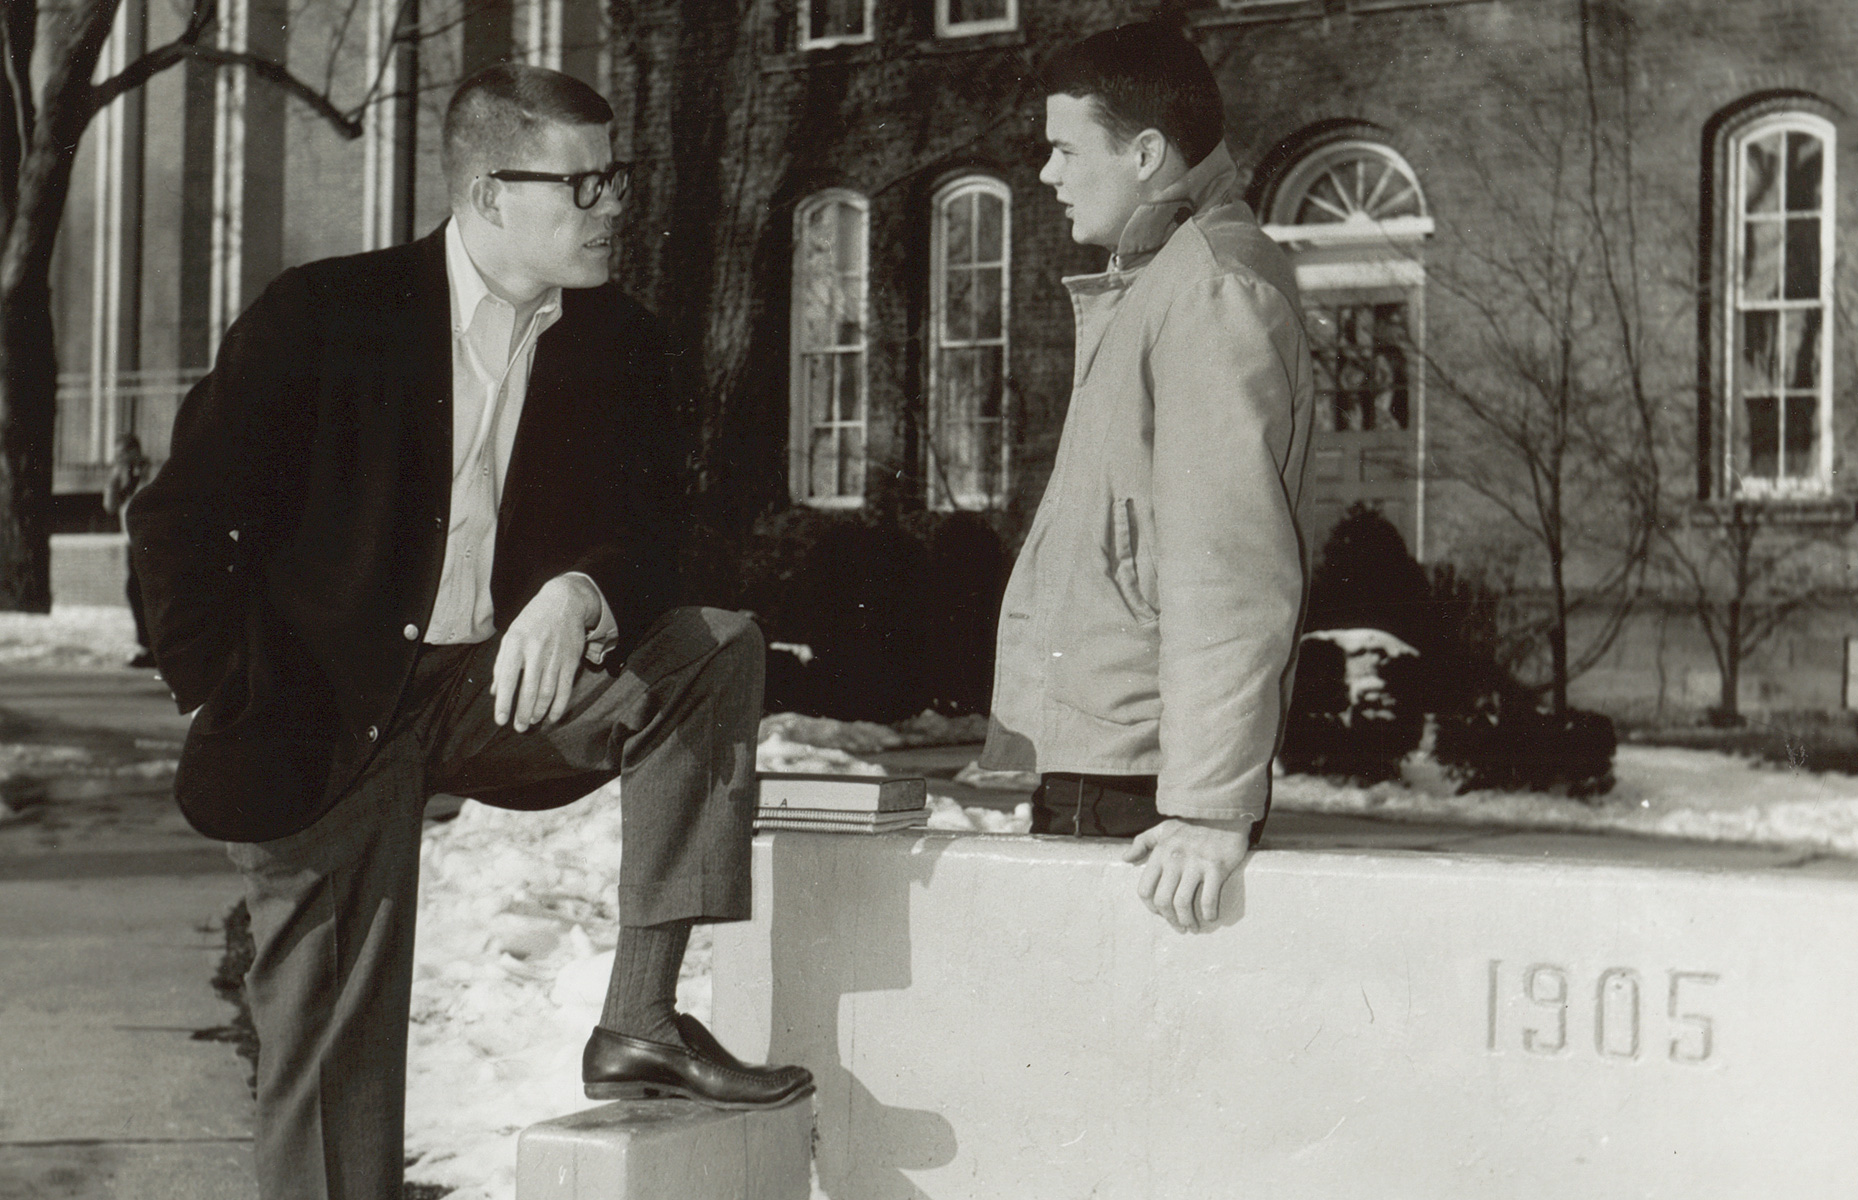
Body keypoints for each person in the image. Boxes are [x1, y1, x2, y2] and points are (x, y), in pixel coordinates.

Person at [128, 63, 810, 1200]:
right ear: (490, 192)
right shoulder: (327, 313)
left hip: (496, 694)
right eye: (582, 186)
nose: (613, 208)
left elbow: (652, 537)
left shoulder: (619, 340)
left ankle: (640, 1017)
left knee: (713, 648)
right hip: (318, 711)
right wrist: (222, 692)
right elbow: (179, 519)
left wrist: (581, 588)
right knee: (329, 1068)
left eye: (617, 180)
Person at [978, 22, 1316, 935]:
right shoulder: (1159, 280)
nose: (1047, 175)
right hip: (1114, 758)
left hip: (1141, 783)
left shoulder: (1208, 289)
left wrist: (1208, 806)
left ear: (1146, 153)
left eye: (1063, 149)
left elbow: (1231, 564)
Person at [102, 431, 154, 667]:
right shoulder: (121, 477)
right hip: (130, 541)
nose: (120, 459)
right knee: (135, 592)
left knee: (141, 591)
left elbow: (146, 500)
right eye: (116, 455)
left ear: (135, 451)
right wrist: (114, 480)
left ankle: (150, 645)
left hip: (149, 541)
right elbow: (110, 507)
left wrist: (140, 477)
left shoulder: (148, 472)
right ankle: (146, 643)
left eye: (123, 454)